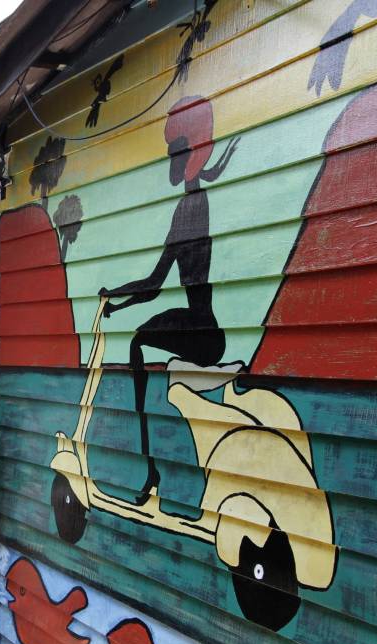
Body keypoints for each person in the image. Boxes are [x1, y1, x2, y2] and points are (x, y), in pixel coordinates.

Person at [99, 96, 238, 504]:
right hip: (200, 324)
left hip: (202, 330)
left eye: (175, 152)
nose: (171, 163)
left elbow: (155, 281)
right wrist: (120, 305)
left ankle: (151, 470)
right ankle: (155, 465)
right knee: (141, 340)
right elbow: (156, 285)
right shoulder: (194, 204)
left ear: (190, 155)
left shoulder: (190, 208)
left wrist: (116, 298)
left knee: (139, 343)